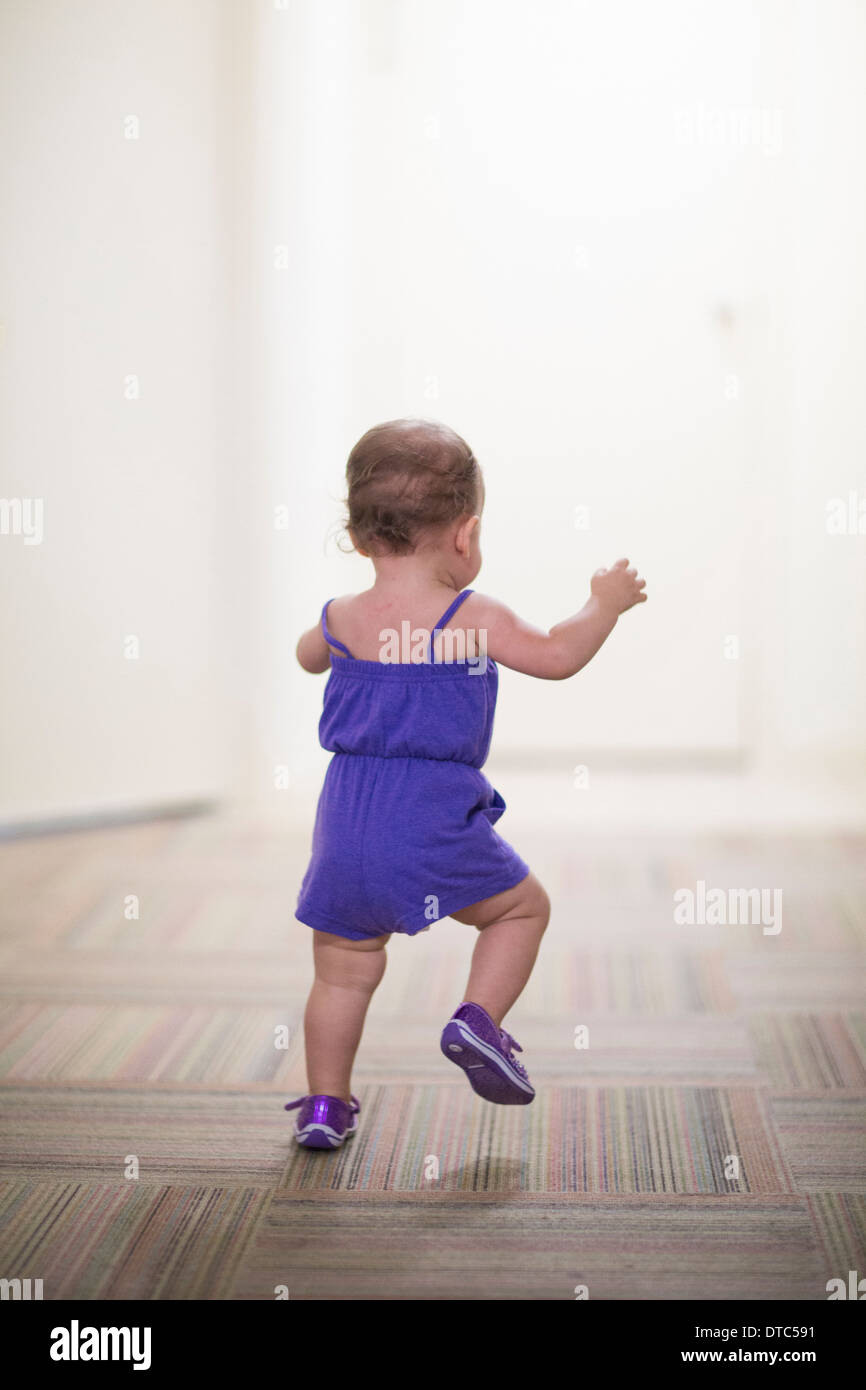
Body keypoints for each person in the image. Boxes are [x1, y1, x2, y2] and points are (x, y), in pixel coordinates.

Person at [285, 418, 647, 1148]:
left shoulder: (341, 617)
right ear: (466, 535)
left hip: (344, 826)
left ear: (357, 538)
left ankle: (326, 1106)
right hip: (427, 821)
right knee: (519, 911)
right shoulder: (470, 617)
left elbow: (306, 656)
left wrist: (335, 640)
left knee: (343, 971)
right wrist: (603, 605)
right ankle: (477, 1019)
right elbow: (554, 655)